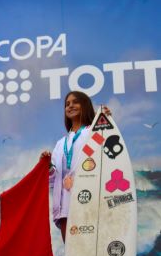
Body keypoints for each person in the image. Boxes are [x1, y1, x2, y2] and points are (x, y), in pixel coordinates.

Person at [41, 91, 110, 242]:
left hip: (88, 199)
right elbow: (53, 180)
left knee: (91, 251)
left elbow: (105, 156)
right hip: (65, 205)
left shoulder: (93, 132)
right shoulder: (61, 143)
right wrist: (48, 167)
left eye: (75, 102)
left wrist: (106, 120)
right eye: (67, 104)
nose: (70, 106)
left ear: (85, 105)